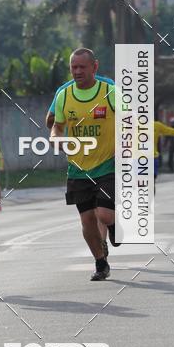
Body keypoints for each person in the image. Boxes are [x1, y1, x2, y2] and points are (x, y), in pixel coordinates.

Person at [50, 48, 116, 281]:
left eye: (82, 67)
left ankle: (115, 225)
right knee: (87, 221)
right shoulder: (64, 95)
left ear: (94, 67)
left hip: (108, 164)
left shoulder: (110, 92)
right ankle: (101, 262)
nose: (77, 71)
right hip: (78, 169)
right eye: (73, 67)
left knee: (104, 215)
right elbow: (56, 125)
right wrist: (55, 137)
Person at [153, 114, 174, 192]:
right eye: (172, 122)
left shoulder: (157, 125)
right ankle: (171, 168)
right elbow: (167, 137)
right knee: (170, 158)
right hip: (171, 146)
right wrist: (165, 145)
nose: (173, 123)